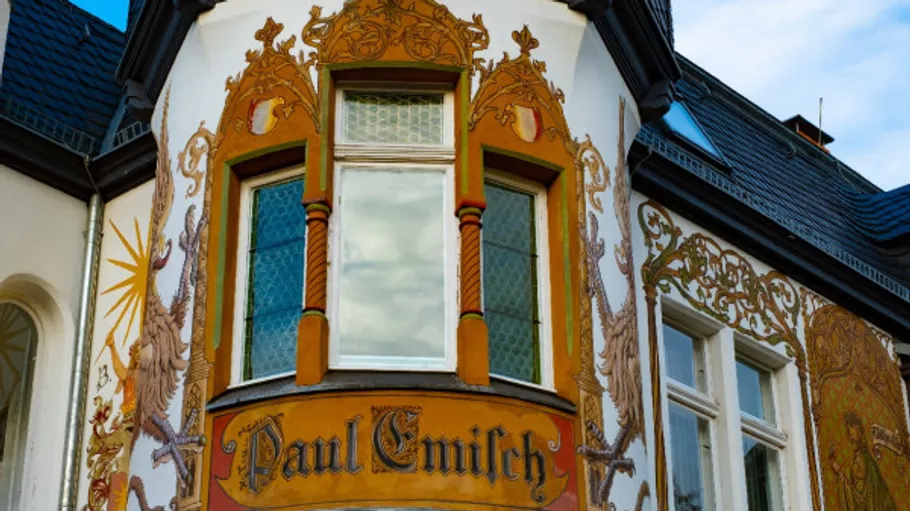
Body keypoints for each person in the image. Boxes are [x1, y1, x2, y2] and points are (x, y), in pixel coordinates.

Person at [829, 411, 897, 511]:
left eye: (851, 428)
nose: (849, 434)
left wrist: (838, 471)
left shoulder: (863, 460)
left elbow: (856, 495)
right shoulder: (865, 459)